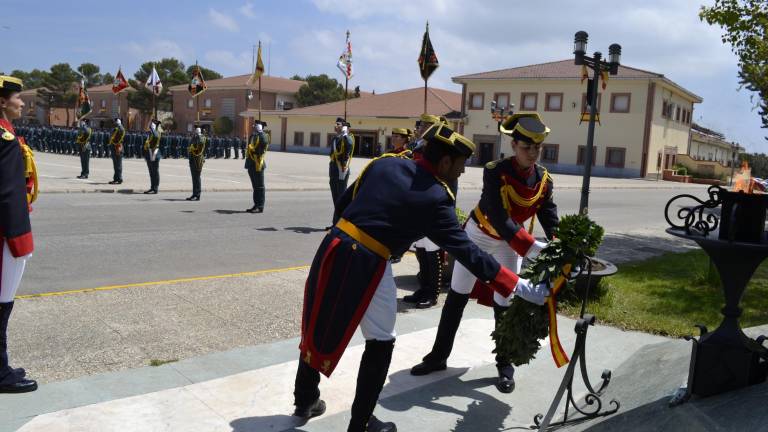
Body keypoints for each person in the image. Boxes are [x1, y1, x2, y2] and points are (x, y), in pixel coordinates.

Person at [292, 123, 550, 432]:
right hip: (368, 260)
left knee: (317, 320)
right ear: (444, 163)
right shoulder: (436, 197)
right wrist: (518, 285)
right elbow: (468, 253)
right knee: (381, 341)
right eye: (460, 165)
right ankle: (361, 425)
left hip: (333, 246)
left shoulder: (384, 162)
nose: (462, 173)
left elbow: (344, 204)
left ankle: (305, 398)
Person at [410, 112, 559, 394]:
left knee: (505, 302)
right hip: (479, 236)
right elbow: (499, 217)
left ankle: (505, 364)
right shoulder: (495, 171)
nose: (533, 153)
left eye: (537, 148)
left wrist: (560, 244)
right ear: (513, 145)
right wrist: (533, 249)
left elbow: (549, 216)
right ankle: (438, 357)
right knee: (457, 296)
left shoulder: (544, 180)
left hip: (509, 244)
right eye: (527, 147)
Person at [0, 75, 38, 393]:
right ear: (2, 102)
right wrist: (19, 240)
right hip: (5, 234)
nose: (22, 102)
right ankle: (1, 373)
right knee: (2, 303)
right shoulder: (6, 139)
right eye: (17, 97)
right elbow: (10, 194)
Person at [403, 114, 451, 309]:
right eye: (421, 124)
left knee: (432, 251)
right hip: (418, 203)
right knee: (420, 250)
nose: (421, 127)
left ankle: (433, 293)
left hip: (431, 204)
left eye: (426, 124)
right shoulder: (420, 144)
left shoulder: (438, 148)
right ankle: (423, 288)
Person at [328, 117, 354, 211]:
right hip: (333, 168)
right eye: (335, 124)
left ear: (344, 127)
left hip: (341, 169)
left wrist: (345, 133)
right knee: (335, 196)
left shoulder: (348, 138)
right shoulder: (335, 138)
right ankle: (336, 222)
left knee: (341, 196)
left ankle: (341, 220)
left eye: (338, 124)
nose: (335, 126)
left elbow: (350, 145)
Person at [244, 120, 268, 213]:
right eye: (254, 126)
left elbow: (265, 142)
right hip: (251, 164)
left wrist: (261, 132)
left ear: (260, 127)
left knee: (260, 186)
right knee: (255, 186)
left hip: (258, 163)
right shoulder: (252, 136)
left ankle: (260, 206)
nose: (254, 128)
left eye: (256, 126)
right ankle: (256, 204)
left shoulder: (263, 136)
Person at [186, 125, 207, 201]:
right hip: (193, 159)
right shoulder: (195, 137)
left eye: (196, 130)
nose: (195, 131)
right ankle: (194, 194)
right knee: (194, 178)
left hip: (197, 160)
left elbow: (200, 147)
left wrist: (193, 149)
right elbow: (192, 145)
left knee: (197, 178)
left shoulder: (201, 138)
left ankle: (197, 194)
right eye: (195, 130)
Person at [143, 119, 162, 194]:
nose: (150, 125)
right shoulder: (151, 133)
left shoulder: (157, 132)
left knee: (155, 172)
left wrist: (153, 129)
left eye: (151, 124)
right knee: (151, 172)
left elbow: (156, 137)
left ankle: (155, 188)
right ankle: (152, 187)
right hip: (150, 154)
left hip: (155, 154)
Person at [109, 118, 126, 184]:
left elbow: (121, 131)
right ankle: (116, 178)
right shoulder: (115, 128)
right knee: (115, 165)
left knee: (118, 165)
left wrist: (119, 125)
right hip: (114, 147)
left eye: (115, 122)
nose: (114, 123)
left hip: (118, 147)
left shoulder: (120, 128)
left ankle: (119, 178)